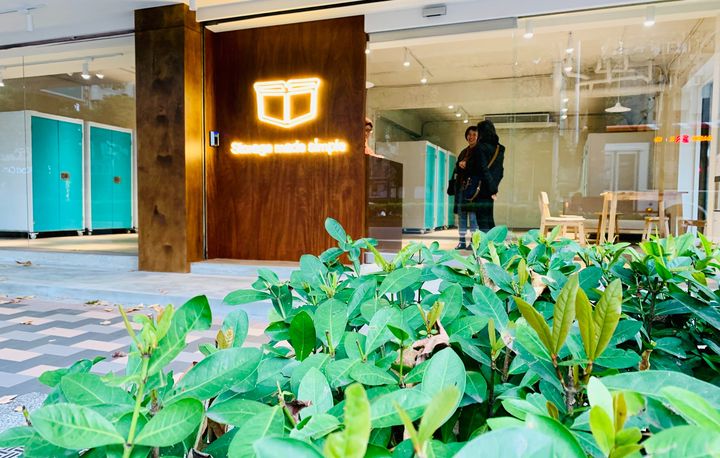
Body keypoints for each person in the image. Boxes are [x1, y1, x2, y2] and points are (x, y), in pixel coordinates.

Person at [470, 119, 505, 232]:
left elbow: (483, 169)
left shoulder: (480, 147)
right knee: (489, 218)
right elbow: (500, 171)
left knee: (483, 220)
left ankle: (486, 242)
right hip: (491, 189)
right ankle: (494, 241)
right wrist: (494, 188)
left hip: (481, 188)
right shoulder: (500, 148)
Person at [450, 126, 479, 249]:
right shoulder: (463, 152)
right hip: (462, 189)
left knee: (473, 218)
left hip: (474, 191)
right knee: (462, 217)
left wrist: (467, 165)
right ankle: (461, 242)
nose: (471, 137)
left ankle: (474, 243)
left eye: (474, 134)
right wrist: (459, 164)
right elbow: (457, 169)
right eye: (469, 134)